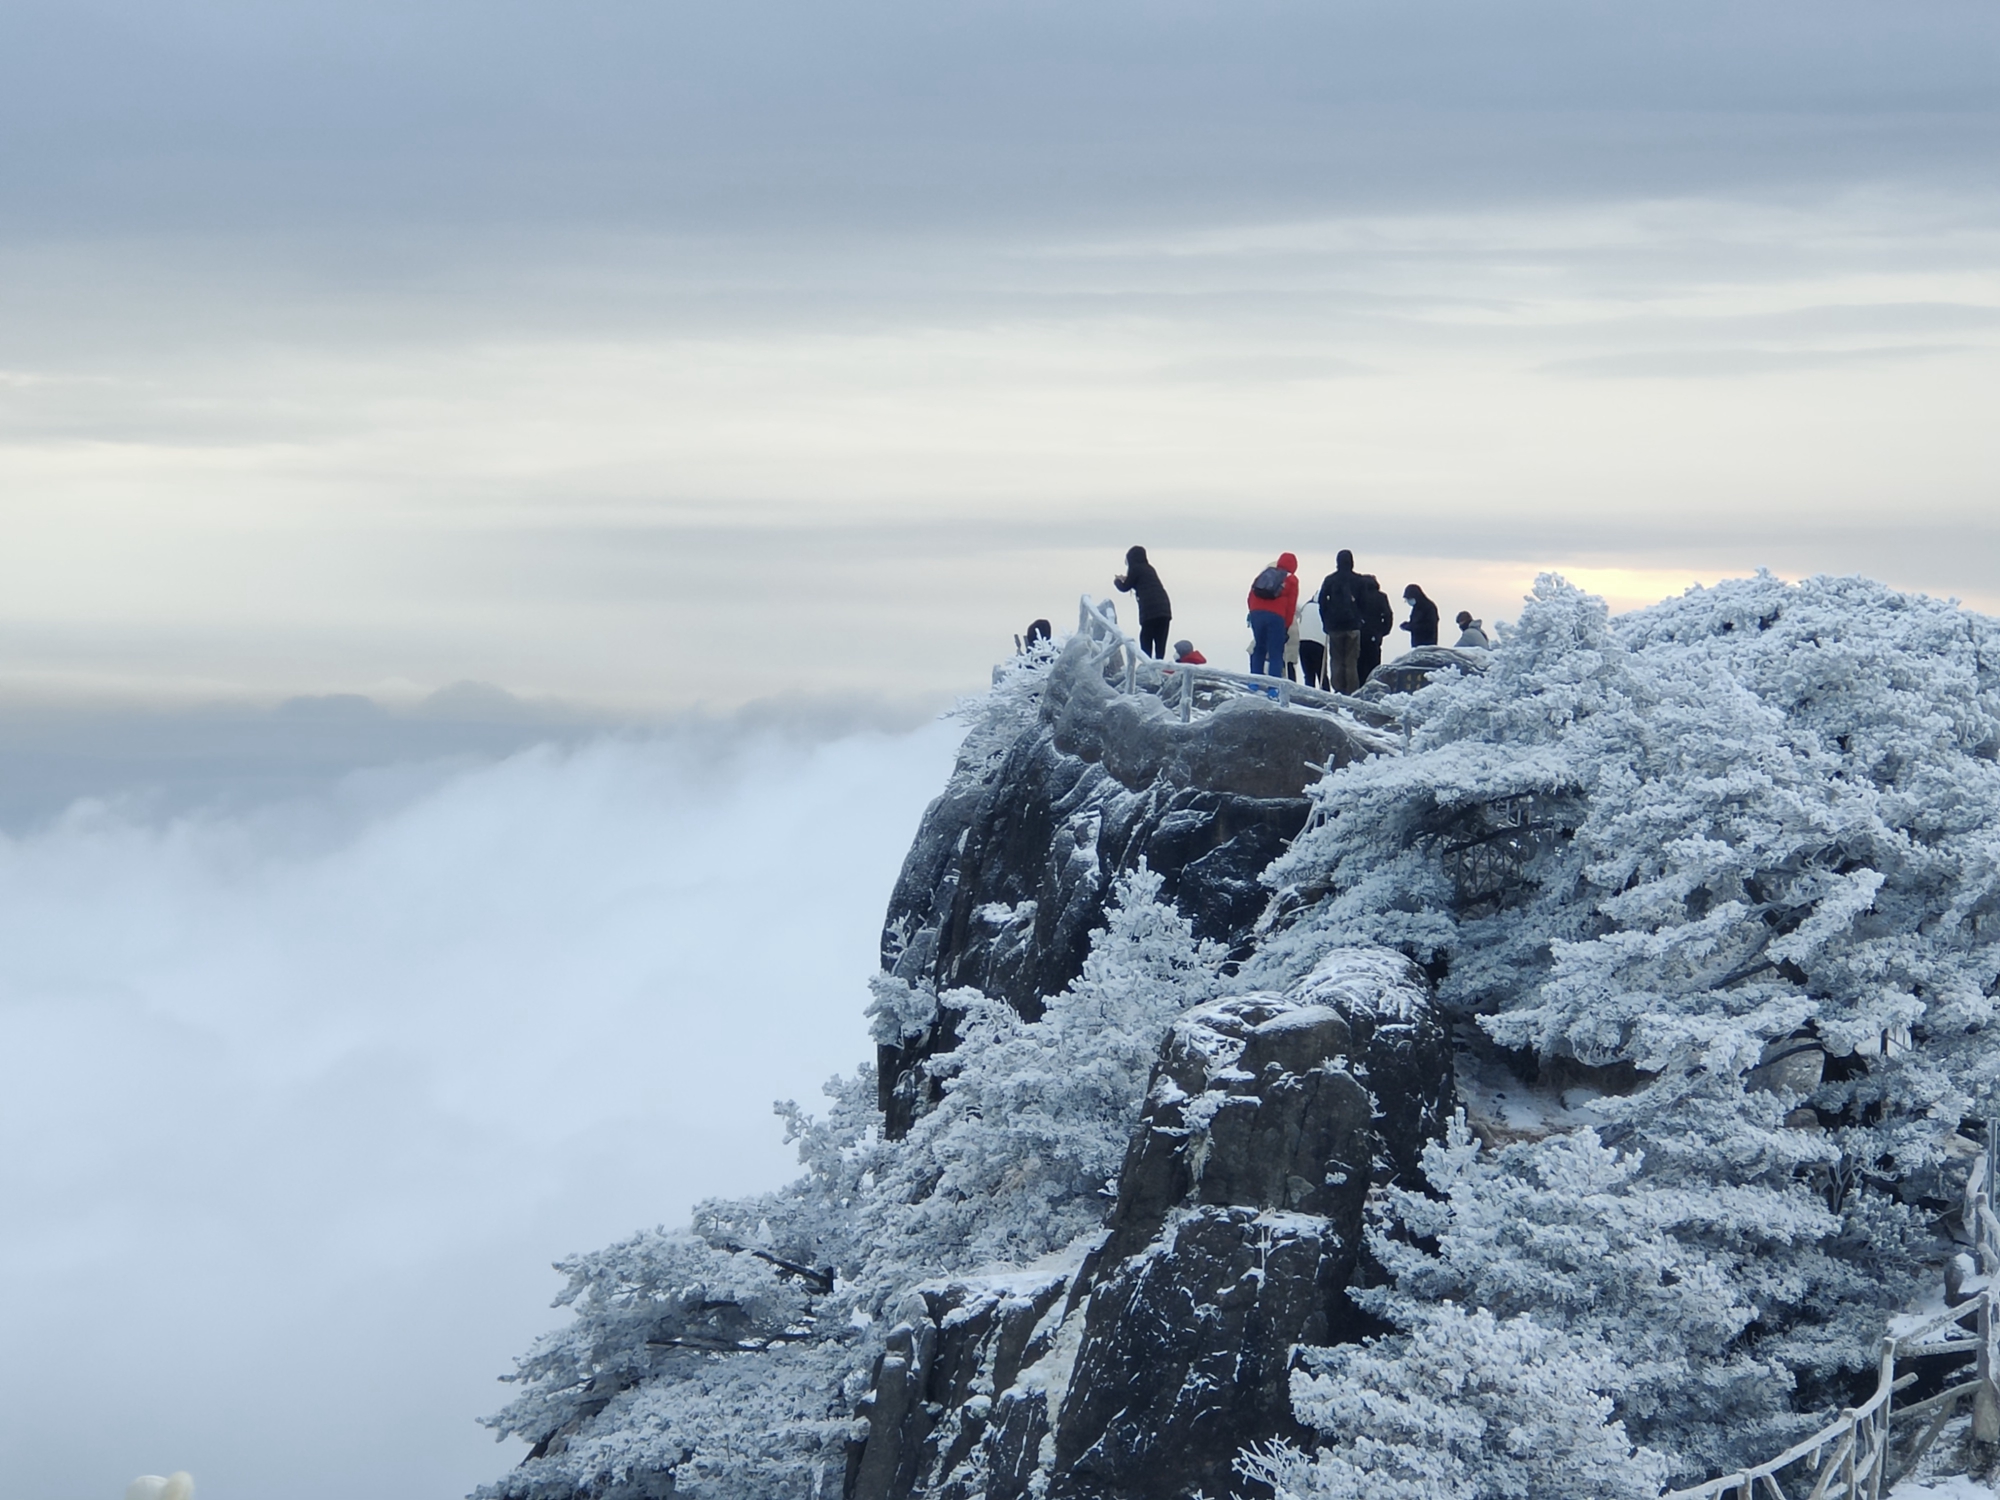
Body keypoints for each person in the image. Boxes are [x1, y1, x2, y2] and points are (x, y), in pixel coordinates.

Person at [1315, 549, 1365, 693]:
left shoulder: (1330, 580)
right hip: (1353, 626)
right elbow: (1364, 603)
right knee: (1351, 661)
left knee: (1336, 660)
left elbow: (1322, 602)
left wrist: (1326, 622)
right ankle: (1351, 692)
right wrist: (1359, 619)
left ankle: (1338, 690)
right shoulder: (1358, 580)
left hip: (1334, 627)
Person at [1113, 545, 1173, 660]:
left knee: (1146, 638)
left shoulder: (1135, 568)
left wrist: (1117, 581)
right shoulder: (1148, 568)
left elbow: (1125, 587)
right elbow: (1141, 583)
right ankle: (1159, 666)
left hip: (1150, 612)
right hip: (1164, 609)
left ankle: (1147, 668)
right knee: (1160, 641)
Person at [1246, 552, 1299, 678]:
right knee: (1276, 652)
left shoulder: (1264, 575)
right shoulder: (1291, 579)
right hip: (1276, 617)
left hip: (1256, 614)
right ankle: (1273, 688)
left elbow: (1250, 596)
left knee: (1259, 647)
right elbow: (1291, 606)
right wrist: (1285, 627)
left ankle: (1254, 682)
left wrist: (1254, 613)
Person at [1358, 573, 1393, 686]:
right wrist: (1383, 631)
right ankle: (1373, 687)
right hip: (1375, 636)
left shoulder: (1359, 596)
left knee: (1360, 666)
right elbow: (1388, 615)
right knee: (1374, 666)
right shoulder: (1381, 597)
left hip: (1360, 635)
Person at [1294, 585, 1328, 688]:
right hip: (1319, 644)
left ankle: (1309, 696)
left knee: (1308, 675)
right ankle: (1326, 694)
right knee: (1321, 674)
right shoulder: (1325, 609)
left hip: (1303, 642)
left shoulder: (1306, 606)